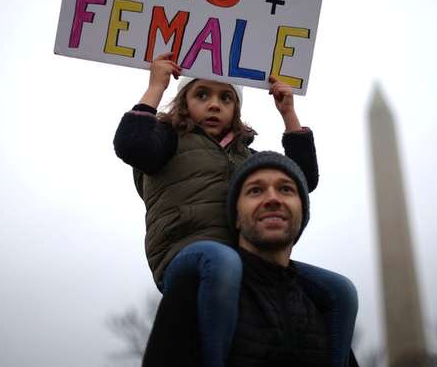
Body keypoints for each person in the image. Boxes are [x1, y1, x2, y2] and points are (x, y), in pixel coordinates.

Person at [114, 53, 356, 367]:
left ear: (236, 109)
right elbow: (132, 144)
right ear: (184, 102)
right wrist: (155, 87)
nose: (214, 104)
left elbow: (302, 180)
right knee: (221, 260)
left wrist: (288, 114)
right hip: (187, 256)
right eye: (202, 95)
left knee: (340, 290)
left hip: (248, 264)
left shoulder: (247, 156)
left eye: (225, 98)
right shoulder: (167, 141)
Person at [141, 151, 360, 367]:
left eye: (285, 189)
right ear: (236, 217)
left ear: (302, 212)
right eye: (255, 190)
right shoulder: (197, 289)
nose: (273, 199)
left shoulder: (326, 309)